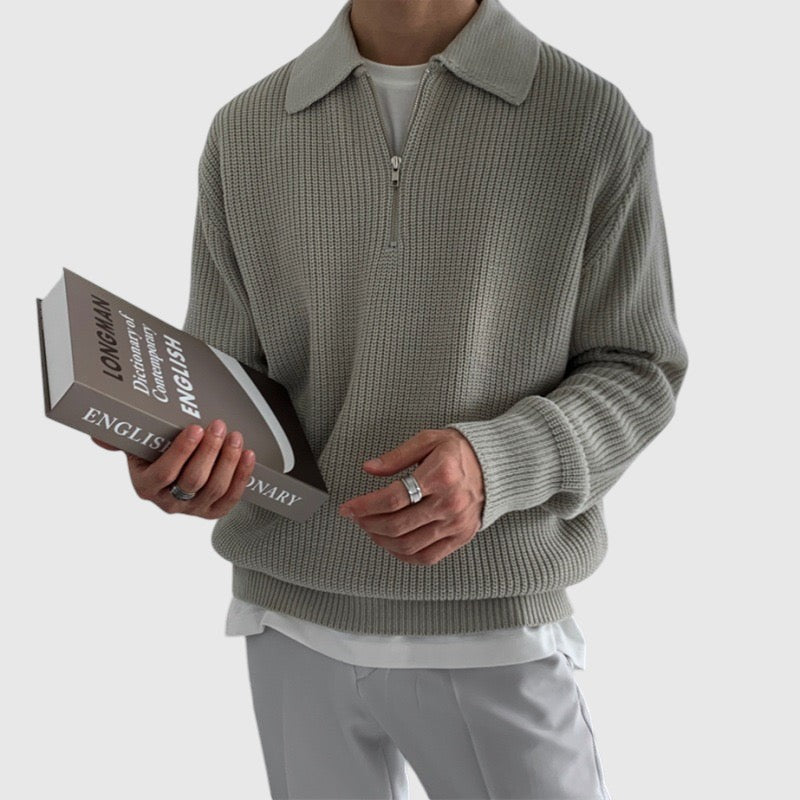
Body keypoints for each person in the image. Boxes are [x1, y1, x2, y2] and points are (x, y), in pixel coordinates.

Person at [94, 0, 688, 797]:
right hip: (289, 621)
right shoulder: (247, 129)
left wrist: (494, 464)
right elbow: (233, 375)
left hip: (493, 624)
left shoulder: (586, 120)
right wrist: (177, 454)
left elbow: (637, 367)